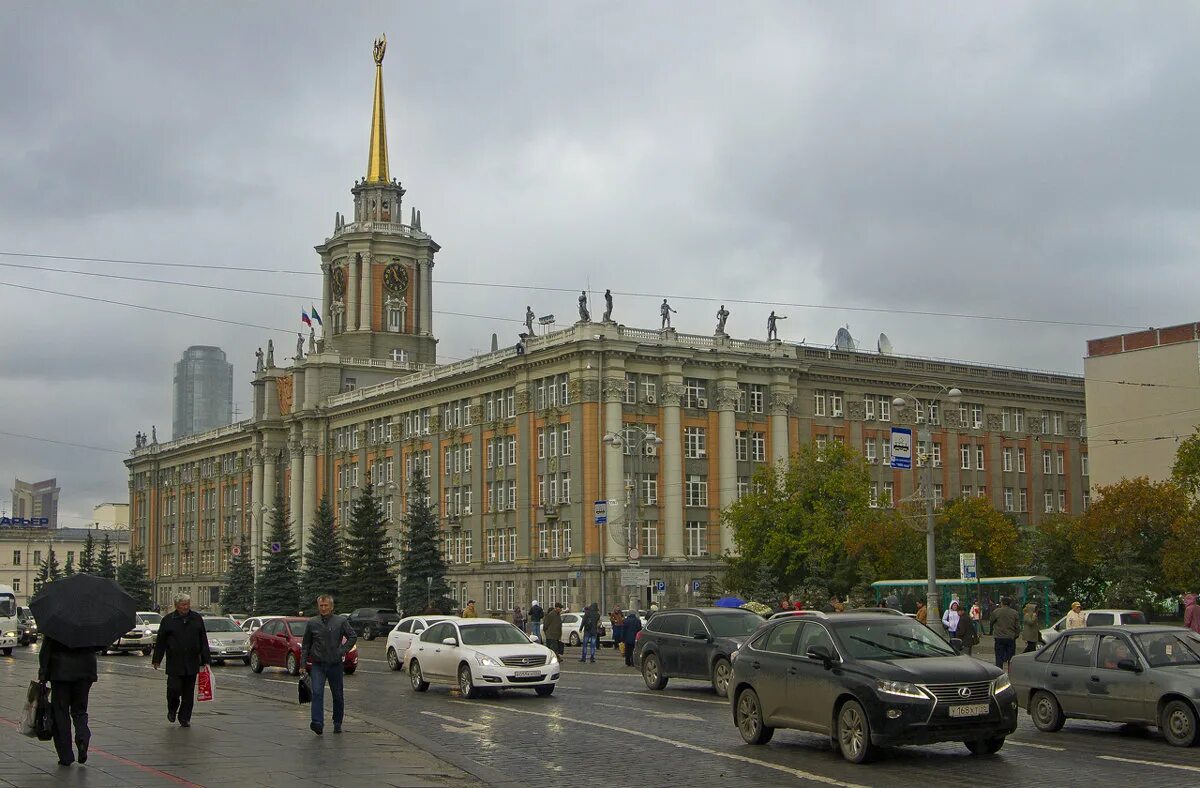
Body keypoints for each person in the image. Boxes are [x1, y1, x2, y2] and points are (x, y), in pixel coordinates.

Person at [300, 594, 357, 735]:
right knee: (317, 692)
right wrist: (302, 664)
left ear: (332, 607)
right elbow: (306, 645)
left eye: (326, 606)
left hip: (335, 664)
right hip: (318, 664)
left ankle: (337, 722)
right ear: (318, 606)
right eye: (321, 606)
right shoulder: (313, 623)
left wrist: (342, 651)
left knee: (337, 695)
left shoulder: (340, 621)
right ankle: (317, 723)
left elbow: (352, 636)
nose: (323, 608)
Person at [151, 593, 211, 728]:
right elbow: (161, 641)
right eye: (183, 605)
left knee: (188, 693)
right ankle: (172, 709)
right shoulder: (168, 620)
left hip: (192, 661)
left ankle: (185, 717)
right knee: (174, 689)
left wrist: (206, 659)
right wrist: (157, 659)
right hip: (175, 661)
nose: (186, 607)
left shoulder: (196, 618)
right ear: (176, 606)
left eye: (188, 604)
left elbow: (203, 639)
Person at [38, 636, 97, 766]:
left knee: (60, 714)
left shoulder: (56, 622)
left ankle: (66, 756)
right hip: (85, 673)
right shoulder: (91, 622)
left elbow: (45, 650)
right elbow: (100, 645)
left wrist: (43, 673)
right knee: (80, 711)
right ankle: (82, 739)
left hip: (61, 674)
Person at [989, 597, 1021, 672]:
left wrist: (992, 631)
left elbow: (991, 622)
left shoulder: (996, 611)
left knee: (999, 657)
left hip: (999, 637)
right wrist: (1016, 635)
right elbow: (1017, 627)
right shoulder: (1014, 613)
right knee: (1011, 657)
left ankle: (999, 672)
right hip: (1010, 637)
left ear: (1001, 603)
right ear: (1010, 604)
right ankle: (1010, 672)